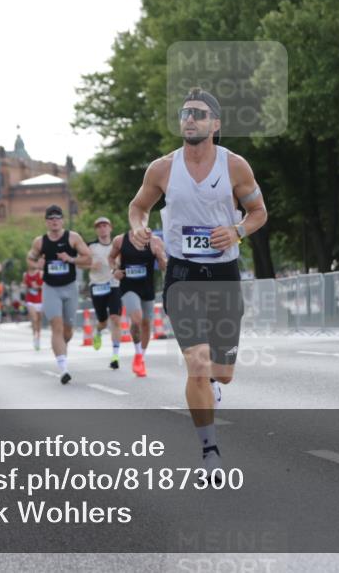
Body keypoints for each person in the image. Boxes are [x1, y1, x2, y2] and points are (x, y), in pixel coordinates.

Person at [127, 87, 267, 478]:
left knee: (222, 372)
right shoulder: (162, 169)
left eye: (199, 113)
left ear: (215, 124)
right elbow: (139, 207)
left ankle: (213, 388)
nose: (190, 118)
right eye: (186, 113)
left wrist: (237, 231)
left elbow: (259, 212)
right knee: (197, 365)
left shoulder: (235, 166)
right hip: (183, 275)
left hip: (223, 274)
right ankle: (210, 452)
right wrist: (139, 228)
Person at [27, 204, 92, 384]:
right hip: (51, 288)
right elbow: (30, 258)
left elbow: (88, 257)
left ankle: (60, 347)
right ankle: (63, 368)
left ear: (62, 220)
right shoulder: (40, 242)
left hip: (70, 288)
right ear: (46, 222)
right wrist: (36, 265)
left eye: (57, 218)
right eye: (51, 218)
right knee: (56, 326)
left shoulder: (73, 237)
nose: (54, 221)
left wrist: (70, 259)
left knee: (67, 330)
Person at [108, 226, 167, 377]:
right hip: (128, 287)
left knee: (146, 324)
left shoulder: (155, 241)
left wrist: (161, 257)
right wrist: (114, 271)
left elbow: (163, 266)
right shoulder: (120, 240)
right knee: (137, 318)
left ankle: (141, 358)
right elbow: (111, 258)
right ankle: (138, 351)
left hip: (147, 288)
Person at [86, 217, 122, 364]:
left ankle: (115, 355)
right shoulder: (91, 246)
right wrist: (90, 265)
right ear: (96, 230)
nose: (102, 228)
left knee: (115, 318)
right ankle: (98, 331)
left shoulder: (117, 245)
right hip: (97, 286)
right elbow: (80, 262)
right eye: (99, 226)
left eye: (105, 225)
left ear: (110, 228)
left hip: (114, 284)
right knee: (103, 320)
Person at [23, 266, 44, 350]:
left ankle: (38, 337)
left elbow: (45, 286)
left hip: (40, 300)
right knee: (34, 319)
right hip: (30, 300)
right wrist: (27, 286)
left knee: (39, 320)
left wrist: (38, 286)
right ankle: (34, 336)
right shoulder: (25, 274)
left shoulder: (41, 273)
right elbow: (24, 286)